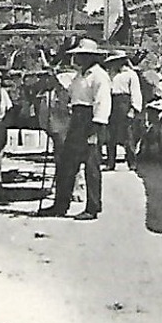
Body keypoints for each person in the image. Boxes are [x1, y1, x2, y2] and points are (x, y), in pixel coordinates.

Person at [40, 38, 112, 221]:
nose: (77, 59)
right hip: (77, 119)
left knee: (91, 166)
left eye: (80, 55)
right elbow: (68, 94)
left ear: (89, 57)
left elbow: (102, 103)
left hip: (91, 121)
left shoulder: (99, 76)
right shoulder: (79, 76)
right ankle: (60, 205)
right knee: (66, 164)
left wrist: (95, 130)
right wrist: (53, 84)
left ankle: (93, 207)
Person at [104, 52, 143, 170]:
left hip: (124, 104)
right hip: (112, 104)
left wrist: (133, 109)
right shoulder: (111, 75)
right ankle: (110, 163)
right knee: (111, 136)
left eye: (115, 62)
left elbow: (135, 93)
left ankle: (132, 162)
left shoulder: (131, 75)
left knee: (128, 135)